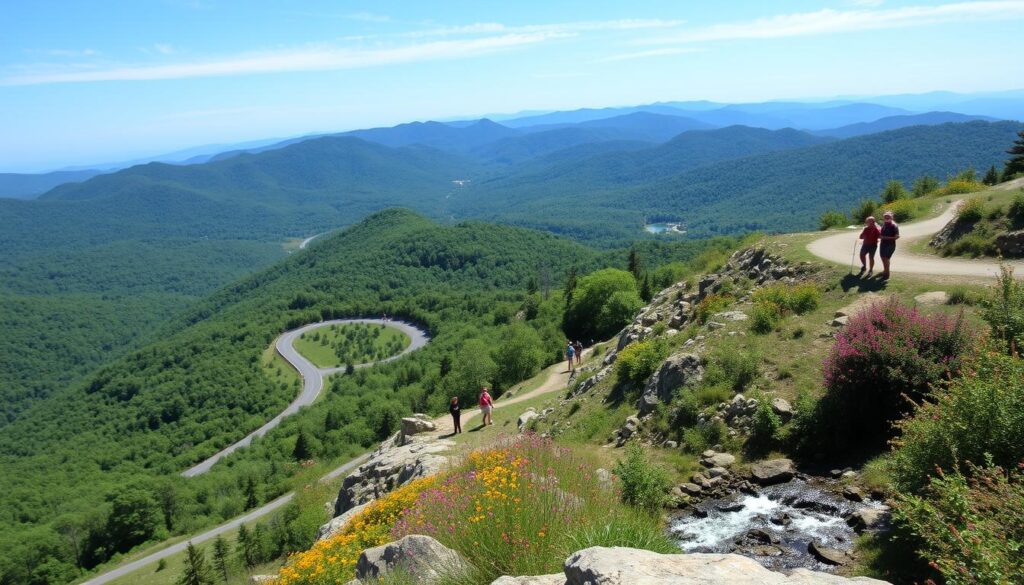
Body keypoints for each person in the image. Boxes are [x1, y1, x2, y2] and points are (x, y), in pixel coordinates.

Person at [879, 210, 900, 280]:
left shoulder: (894, 225)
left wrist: (885, 237)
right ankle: (885, 271)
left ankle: (887, 274)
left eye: (888, 217)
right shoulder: (884, 223)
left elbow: (897, 237)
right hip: (883, 244)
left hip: (890, 245)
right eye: (885, 217)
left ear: (892, 217)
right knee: (885, 259)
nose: (886, 218)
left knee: (885, 259)